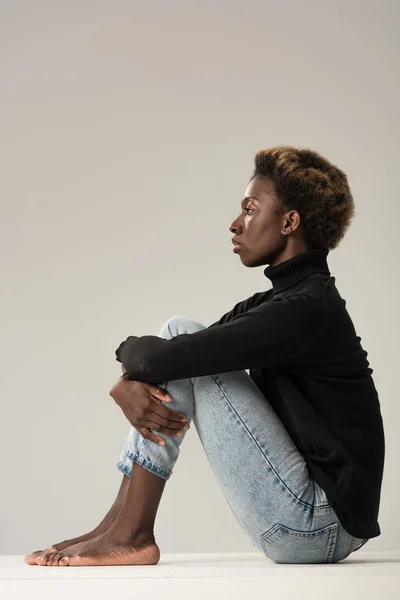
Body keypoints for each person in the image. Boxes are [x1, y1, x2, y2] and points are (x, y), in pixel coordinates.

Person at [25, 145, 385, 567]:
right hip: (316, 522)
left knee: (180, 333)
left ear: (289, 222)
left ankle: (133, 532)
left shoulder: (305, 309)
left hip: (316, 524)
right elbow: (174, 363)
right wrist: (135, 376)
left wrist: (127, 367)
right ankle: (117, 525)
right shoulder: (282, 302)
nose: (235, 225)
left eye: (250, 210)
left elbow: (165, 358)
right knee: (184, 350)